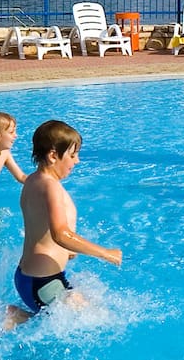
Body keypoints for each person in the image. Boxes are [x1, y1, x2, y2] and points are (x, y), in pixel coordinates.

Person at [12, 120, 121, 322]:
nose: (77, 161)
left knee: (66, 316)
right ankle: (14, 317)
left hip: (28, 277)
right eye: (72, 155)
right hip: (43, 282)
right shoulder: (50, 186)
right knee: (101, 320)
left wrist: (68, 251)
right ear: (53, 155)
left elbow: (41, 225)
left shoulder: (33, 180)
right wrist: (106, 253)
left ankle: (18, 316)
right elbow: (60, 234)